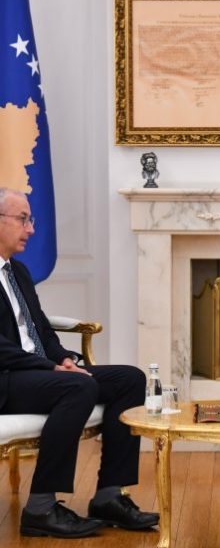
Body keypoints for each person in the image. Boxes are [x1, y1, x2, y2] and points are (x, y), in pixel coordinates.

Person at [0, 188, 159, 538]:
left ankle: (108, 497)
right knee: (79, 386)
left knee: (129, 379)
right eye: (23, 219)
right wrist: (49, 368)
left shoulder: (18, 272)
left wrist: (64, 358)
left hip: (40, 373)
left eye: (31, 219)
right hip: (7, 379)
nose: (31, 229)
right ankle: (40, 508)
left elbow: (42, 330)